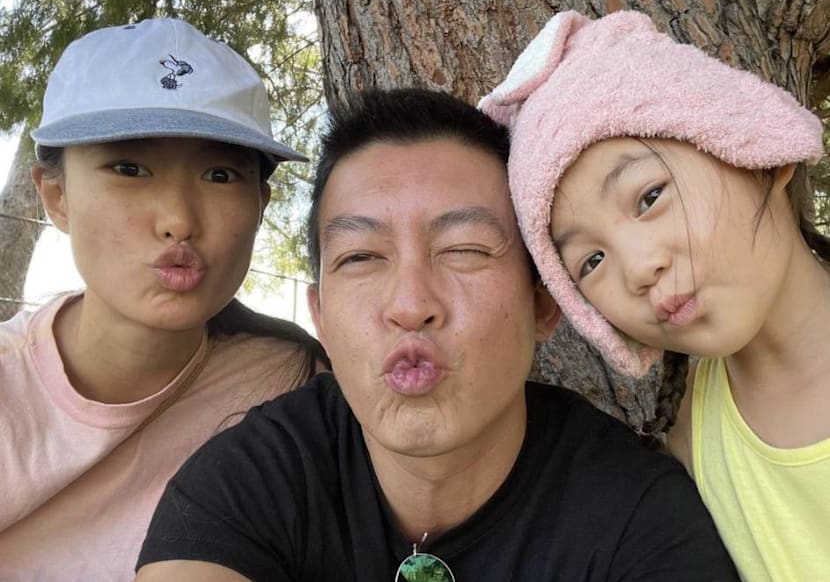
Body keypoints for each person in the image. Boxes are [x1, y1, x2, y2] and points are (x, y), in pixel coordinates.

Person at [134, 88, 738, 581]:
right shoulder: (258, 476)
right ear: (320, 317)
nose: (410, 305)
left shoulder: (636, 516)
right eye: (361, 257)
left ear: (542, 304)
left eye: (464, 249)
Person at [479, 9, 830, 580]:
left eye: (649, 197)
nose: (640, 269)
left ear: (752, 145)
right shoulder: (692, 438)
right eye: (591, 262)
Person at [0, 17, 328, 581]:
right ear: (56, 196)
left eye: (220, 175)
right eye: (129, 169)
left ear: (261, 204)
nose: (178, 219)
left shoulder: (292, 383)